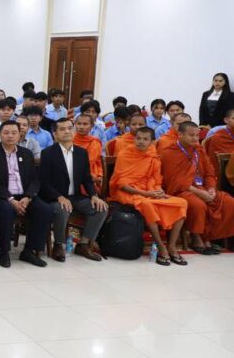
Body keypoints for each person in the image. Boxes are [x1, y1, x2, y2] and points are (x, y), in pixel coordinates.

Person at [110, 127, 188, 266]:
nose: (141, 141)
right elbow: (122, 184)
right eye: (138, 138)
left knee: (181, 203)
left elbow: (156, 180)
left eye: (145, 139)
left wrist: (159, 192)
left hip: (149, 192)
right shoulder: (125, 154)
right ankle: (160, 246)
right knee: (147, 204)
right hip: (128, 193)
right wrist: (146, 194)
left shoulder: (153, 156)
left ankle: (171, 246)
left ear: (152, 141)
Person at [0, 121, 53, 267]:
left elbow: (34, 179)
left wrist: (28, 197)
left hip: (23, 196)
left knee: (45, 210)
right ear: (0, 135)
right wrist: (11, 200)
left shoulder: (26, 153)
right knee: (6, 210)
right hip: (0, 196)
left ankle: (29, 251)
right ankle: (4, 252)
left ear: (20, 135)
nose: (10, 136)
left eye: (14, 133)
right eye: (6, 133)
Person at [38, 119, 109, 262]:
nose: (67, 132)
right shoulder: (48, 153)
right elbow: (44, 182)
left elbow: (86, 179)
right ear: (55, 134)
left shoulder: (81, 153)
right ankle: (58, 245)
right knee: (63, 208)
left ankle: (84, 244)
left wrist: (93, 195)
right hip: (54, 197)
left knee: (101, 208)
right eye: (62, 129)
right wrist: (59, 197)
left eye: (70, 128)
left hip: (75, 197)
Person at [160, 121, 234, 252]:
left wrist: (211, 189)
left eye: (197, 135)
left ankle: (210, 237)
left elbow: (209, 172)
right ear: (180, 134)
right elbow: (175, 181)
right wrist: (200, 193)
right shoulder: (169, 152)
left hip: (203, 188)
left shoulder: (199, 150)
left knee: (229, 202)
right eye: (191, 135)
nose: (195, 138)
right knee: (198, 205)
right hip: (182, 190)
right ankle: (196, 237)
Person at [73, 114, 104, 188]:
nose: (81, 127)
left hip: (89, 172)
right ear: (75, 124)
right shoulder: (69, 140)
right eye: (79, 124)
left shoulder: (94, 142)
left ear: (91, 126)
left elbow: (89, 162)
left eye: (85, 124)